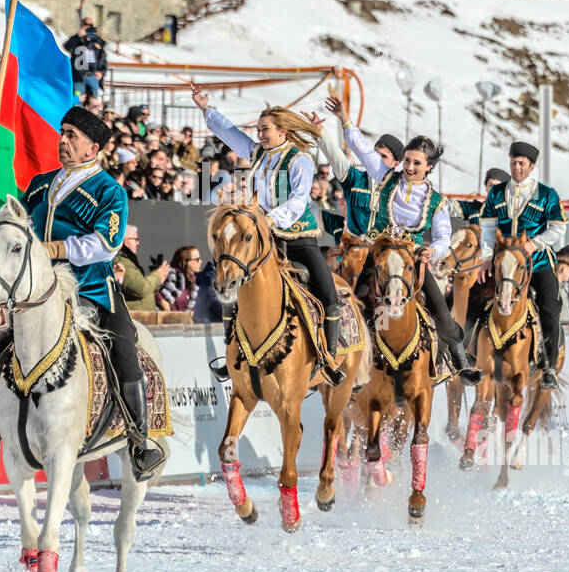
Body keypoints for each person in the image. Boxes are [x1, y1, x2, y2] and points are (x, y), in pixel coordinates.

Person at [0, 106, 165, 481]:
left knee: (124, 347)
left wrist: (59, 249)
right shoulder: (39, 183)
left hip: (90, 290)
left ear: (91, 148)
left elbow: (107, 243)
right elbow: (18, 227)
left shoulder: (109, 191)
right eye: (62, 133)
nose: (62, 141)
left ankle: (137, 438)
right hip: (37, 293)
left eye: (72, 136)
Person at [192, 81, 346, 383]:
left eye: (265, 130)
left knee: (327, 292)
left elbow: (298, 200)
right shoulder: (258, 153)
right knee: (233, 282)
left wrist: (269, 220)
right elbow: (230, 133)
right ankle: (231, 353)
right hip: (264, 238)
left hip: (299, 237)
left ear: (282, 132)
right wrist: (206, 108)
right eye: (259, 130)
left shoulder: (300, 159)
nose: (260, 135)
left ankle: (327, 357)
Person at [326, 96, 483, 383]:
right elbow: (362, 150)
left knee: (443, 317)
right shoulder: (387, 178)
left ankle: (459, 362)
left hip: (412, 261)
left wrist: (431, 251)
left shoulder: (436, 202)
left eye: (416, 163)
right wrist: (345, 118)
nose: (409, 167)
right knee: (358, 305)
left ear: (429, 167)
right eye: (408, 161)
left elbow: (444, 237)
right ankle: (346, 365)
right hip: (380, 257)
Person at [476, 141, 568, 389]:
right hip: (504, 264)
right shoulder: (497, 193)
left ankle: (548, 365)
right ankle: (466, 356)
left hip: (536, 263)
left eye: (521, 164)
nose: (516, 168)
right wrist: (486, 259)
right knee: (474, 298)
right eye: (513, 163)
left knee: (550, 309)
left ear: (531, 166)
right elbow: (488, 226)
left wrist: (535, 244)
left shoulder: (546, 194)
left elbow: (559, 226)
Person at [311, 106, 402, 239]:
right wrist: (320, 132)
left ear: (395, 164)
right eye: (374, 154)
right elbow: (335, 157)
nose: (376, 160)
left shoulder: (400, 190)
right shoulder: (354, 178)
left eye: (383, 157)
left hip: (383, 254)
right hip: (353, 253)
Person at [117, 225, 169, 311]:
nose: (138, 243)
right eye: (136, 239)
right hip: (135, 321)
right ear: (126, 241)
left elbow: (145, 290)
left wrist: (158, 281)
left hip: (141, 320)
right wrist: (157, 276)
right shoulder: (122, 262)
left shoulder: (128, 260)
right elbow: (141, 289)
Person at [62, 18, 106, 99]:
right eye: (86, 24)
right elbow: (67, 47)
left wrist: (101, 72)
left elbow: (103, 59)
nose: (88, 27)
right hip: (79, 76)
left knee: (93, 101)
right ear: (82, 25)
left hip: (93, 76)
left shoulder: (96, 42)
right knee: (78, 99)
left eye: (90, 25)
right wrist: (78, 36)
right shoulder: (78, 39)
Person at [158, 246, 201, 312]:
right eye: (197, 259)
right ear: (186, 262)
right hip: (167, 320)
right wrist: (161, 301)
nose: (200, 261)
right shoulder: (171, 277)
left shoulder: (196, 282)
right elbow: (153, 291)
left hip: (185, 321)